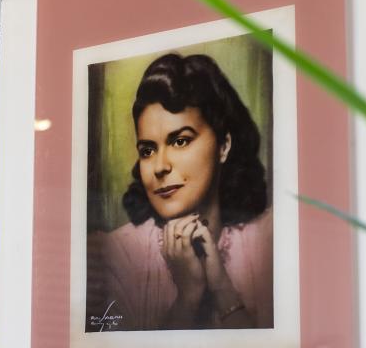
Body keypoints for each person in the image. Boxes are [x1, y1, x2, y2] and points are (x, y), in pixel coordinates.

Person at [86, 52, 273, 332]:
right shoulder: (117, 255)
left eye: (180, 141)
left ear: (223, 146)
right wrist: (187, 298)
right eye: (148, 150)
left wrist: (222, 287)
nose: (160, 166)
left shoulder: (268, 241)